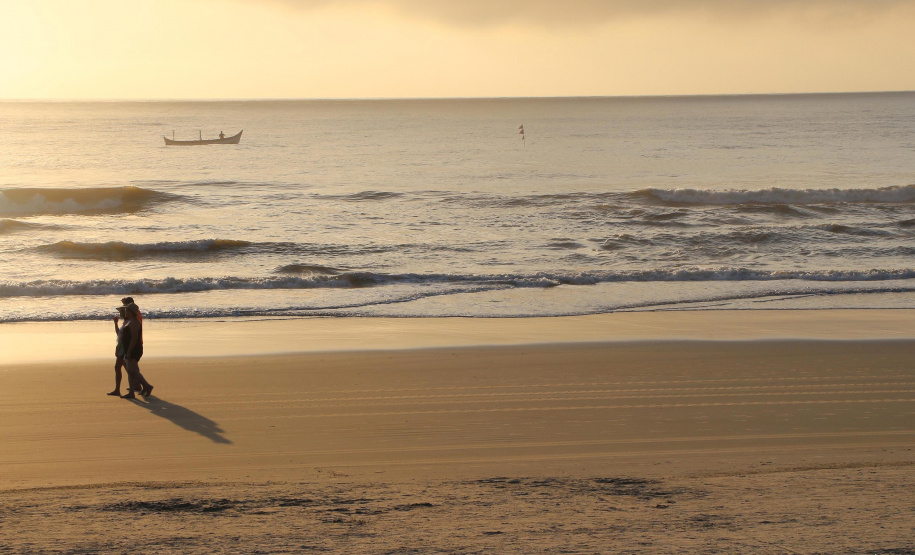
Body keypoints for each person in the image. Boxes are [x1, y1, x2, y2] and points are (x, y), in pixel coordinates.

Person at [120, 303, 153, 399]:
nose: (125, 312)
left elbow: (134, 338)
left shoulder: (134, 322)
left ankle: (147, 386)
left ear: (131, 312)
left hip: (134, 349)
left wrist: (129, 351)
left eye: (126, 310)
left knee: (132, 370)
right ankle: (131, 392)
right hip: (129, 349)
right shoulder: (129, 321)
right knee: (131, 371)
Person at [107, 306, 128, 396]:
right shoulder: (125, 323)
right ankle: (140, 384)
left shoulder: (128, 323)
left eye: (121, 312)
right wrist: (115, 323)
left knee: (119, 367)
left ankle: (117, 390)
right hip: (121, 348)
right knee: (127, 368)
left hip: (123, 348)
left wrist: (121, 350)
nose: (120, 314)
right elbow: (119, 334)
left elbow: (125, 338)